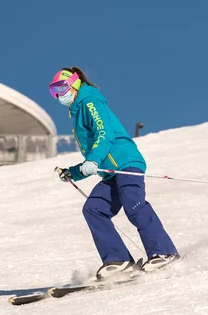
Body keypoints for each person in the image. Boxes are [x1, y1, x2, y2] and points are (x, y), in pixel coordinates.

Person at [51, 67, 179, 281]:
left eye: (61, 87)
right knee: (93, 208)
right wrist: (73, 172)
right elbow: (94, 158)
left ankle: (164, 252)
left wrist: (93, 160)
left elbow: (104, 133)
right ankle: (119, 260)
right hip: (111, 172)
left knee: (134, 205)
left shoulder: (90, 102)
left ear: (74, 83)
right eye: (53, 91)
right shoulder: (78, 111)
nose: (58, 95)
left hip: (126, 163)